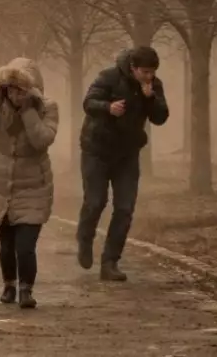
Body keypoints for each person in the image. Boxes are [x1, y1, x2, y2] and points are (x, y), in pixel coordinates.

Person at [0, 57, 60, 309]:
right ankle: (9, 284)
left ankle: (26, 290)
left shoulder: (47, 107)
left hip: (34, 187)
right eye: (10, 87)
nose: (15, 93)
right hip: (0, 186)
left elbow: (42, 140)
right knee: (7, 245)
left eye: (20, 88)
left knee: (25, 245)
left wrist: (27, 110)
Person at [76, 45, 169, 282]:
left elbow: (160, 117)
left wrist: (150, 99)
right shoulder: (108, 77)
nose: (149, 77)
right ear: (133, 68)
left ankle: (110, 262)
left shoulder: (154, 86)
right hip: (96, 150)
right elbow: (88, 102)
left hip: (127, 153)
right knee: (96, 201)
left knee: (125, 208)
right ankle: (85, 238)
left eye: (153, 72)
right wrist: (108, 107)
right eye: (145, 72)